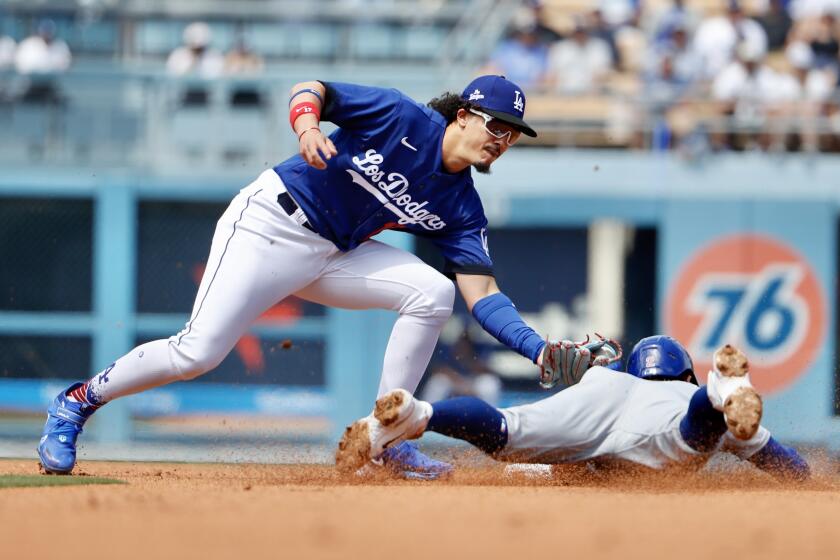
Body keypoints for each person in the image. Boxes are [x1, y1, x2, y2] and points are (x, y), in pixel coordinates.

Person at [38, 75, 578, 481]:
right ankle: (76, 402)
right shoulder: (401, 117)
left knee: (434, 291)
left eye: (513, 135)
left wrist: (538, 349)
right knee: (197, 355)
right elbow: (312, 88)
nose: (503, 140)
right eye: (496, 126)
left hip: (333, 253)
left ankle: (386, 438)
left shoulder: (462, 205)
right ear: (464, 115)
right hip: (269, 224)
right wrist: (307, 126)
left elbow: (481, 293)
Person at [336, 336, 810, 482]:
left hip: (595, 392)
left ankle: (421, 414)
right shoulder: (678, 393)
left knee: (506, 429)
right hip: (676, 415)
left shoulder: (611, 377)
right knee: (691, 436)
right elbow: (790, 467)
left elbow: (546, 469)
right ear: (684, 374)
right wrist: (806, 480)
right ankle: (719, 393)